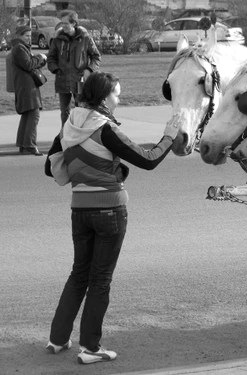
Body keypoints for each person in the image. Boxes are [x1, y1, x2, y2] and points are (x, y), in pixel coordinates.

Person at [44, 71, 179, 365]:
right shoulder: (104, 128)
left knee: (79, 274)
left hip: (79, 210)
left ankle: (57, 340)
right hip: (110, 210)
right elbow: (149, 159)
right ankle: (90, 348)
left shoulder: (69, 124)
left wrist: (83, 164)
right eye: (117, 94)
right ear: (105, 97)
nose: (118, 99)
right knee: (100, 280)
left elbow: (49, 167)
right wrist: (170, 134)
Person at [47, 10, 101, 127]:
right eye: (62, 23)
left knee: (81, 111)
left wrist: (89, 70)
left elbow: (96, 56)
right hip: (62, 80)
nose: (63, 26)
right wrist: (56, 69)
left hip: (79, 80)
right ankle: (65, 137)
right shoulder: (57, 40)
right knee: (64, 113)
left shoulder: (85, 38)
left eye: (66, 23)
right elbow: (50, 58)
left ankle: (81, 136)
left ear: (74, 23)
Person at [11, 24, 47, 156]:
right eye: (26, 36)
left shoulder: (20, 48)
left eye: (30, 36)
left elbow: (30, 63)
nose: (29, 38)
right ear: (19, 36)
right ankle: (30, 145)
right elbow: (28, 64)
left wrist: (40, 60)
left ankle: (23, 144)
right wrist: (40, 57)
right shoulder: (19, 48)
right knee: (34, 114)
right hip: (27, 86)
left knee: (27, 114)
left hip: (26, 85)